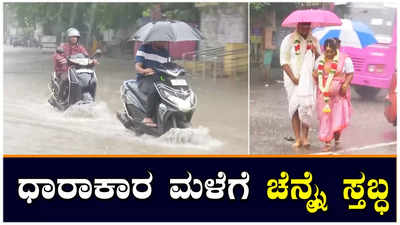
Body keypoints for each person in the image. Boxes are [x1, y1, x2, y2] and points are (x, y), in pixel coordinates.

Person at [280, 22, 321, 148]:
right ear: (297, 25)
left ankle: (305, 137)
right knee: (294, 108)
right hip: (293, 79)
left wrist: (317, 53)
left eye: (308, 25)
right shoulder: (289, 39)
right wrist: (293, 77)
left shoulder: (314, 40)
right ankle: (297, 138)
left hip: (308, 80)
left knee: (307, 108)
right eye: (303, 25)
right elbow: (284, 61)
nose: (305, 28)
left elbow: (320, 60)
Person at [313, 38, 354, 151]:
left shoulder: (345, 59)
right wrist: (315, 75)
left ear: (336, 50)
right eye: (327, 51)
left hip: (338, 96)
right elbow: (316, 73)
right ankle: (327, 143)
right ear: (324, 50)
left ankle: (336, 140)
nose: (329, 53)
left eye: (331, 51)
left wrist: (345, 84)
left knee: (336, 118)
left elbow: (350, 74)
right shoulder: (320, 60)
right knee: (325, 118)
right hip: (324, 96)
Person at [53, 27, 95, 102]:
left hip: (76, 70)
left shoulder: (80, 47)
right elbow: (56, 55)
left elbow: (86, 55)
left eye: (76, 37)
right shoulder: (63, 46)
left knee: (90, 80)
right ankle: (59, 98)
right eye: (72, 37)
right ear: (68, 38)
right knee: (65, 79)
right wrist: (61, 59)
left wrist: (91, 60)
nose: (74, 38)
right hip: (64, 70)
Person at [135, 41, 170, 127]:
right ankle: (148, 117)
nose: (166, 42)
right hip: (145, 78)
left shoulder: (166, 53)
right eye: (163, 39)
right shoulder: (144, 48)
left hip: (160, 78)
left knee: (173, 89)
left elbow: (169, 68)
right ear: (156, 39)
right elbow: (137, 67)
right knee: (155, 89)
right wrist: (144, 71)